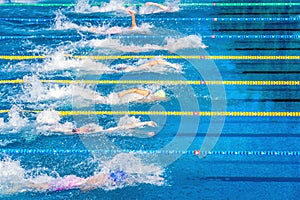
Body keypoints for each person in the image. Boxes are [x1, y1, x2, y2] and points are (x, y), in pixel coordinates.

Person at [50, 116, 157, 136]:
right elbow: (125, 127)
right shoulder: (102, 131)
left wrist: (146, 123)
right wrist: (146, 123)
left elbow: (125, 127)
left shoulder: (103, 131)